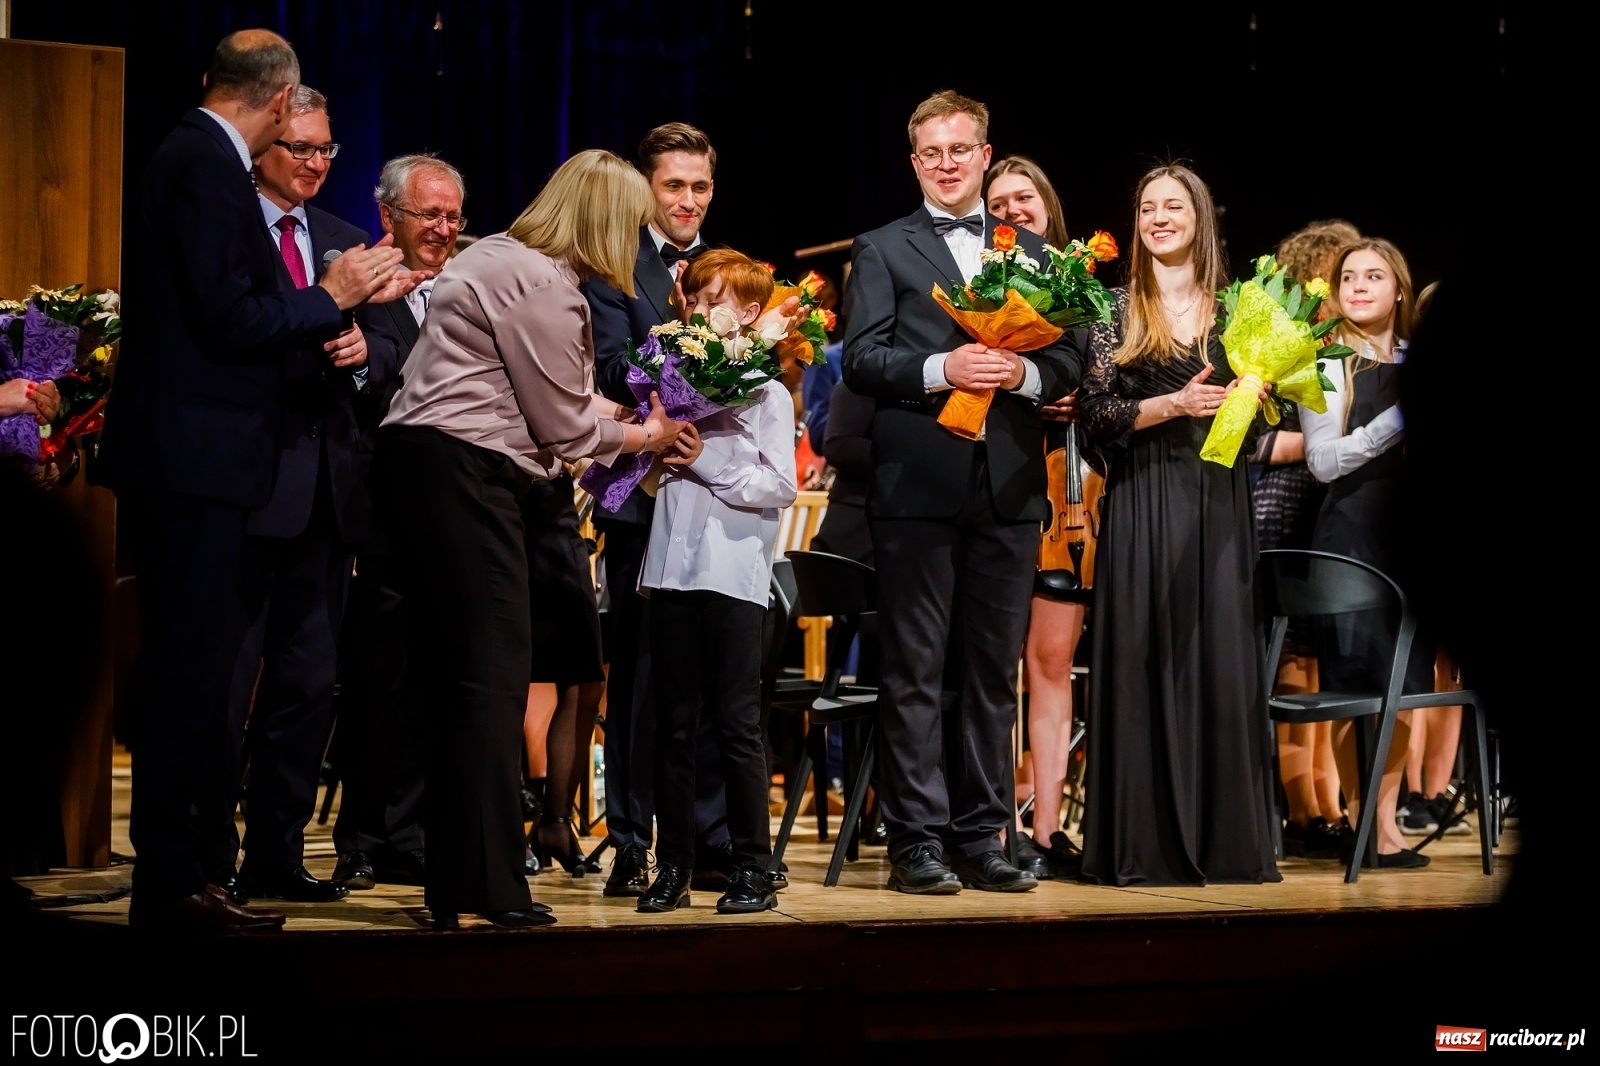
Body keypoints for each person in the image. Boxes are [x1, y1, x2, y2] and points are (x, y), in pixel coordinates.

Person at [97, 29, 422, 932]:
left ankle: (192, 876)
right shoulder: (206, 167)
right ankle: (177, 881)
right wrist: (334, 297)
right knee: (196, 679)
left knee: (217, 677)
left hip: (225, 464)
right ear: (279, 103)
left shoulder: (189, 155)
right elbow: (232, 320)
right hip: (201, 459)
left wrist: (343, 311)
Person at [376, 149, 688, 930]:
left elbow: (555, 395)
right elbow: (565, 428)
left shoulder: (496, 255)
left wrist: (628, 419)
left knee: (457, 680)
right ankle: (490, 885)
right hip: (466, 475)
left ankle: (456, 883)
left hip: (417, 468)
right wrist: (650, 435)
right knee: (491, 679)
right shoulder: (547, 287)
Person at [840, 90, 1082, 894]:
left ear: (985, 155)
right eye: (931, 153)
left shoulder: (1038, 255)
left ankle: (984, 837)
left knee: (990, 673)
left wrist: (1021, 373)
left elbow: (1072, 360)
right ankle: (916, 841)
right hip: (917, 484)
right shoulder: (883, 248)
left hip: (1007, 485)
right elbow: (862, 360)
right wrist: (945, 367)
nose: (946, 165)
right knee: (913, 670)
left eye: (959, 150)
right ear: (915, 162)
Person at [197, 84, 397, 908]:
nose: (315, 163)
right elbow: (226, 334)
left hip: (326, 498)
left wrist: (364, 353)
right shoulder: (231, 230)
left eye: (326, 150)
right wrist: (322, 307)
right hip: (244, 490)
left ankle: (276, 855)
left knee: (307, 687)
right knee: (222, 687)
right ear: (265, 144)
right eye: (300, 148)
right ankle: (206, 858)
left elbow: (391, 349)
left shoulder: (346, 240)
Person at [1076, 163, 1280, 887]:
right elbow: (1093, 416)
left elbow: (1261, 432)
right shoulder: (1114, 309)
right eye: (1146, 208)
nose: (1159, 218)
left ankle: (1226, 844)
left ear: (1200, 219)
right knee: (1141, 657)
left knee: (1218, 659)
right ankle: (1143, 844)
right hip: (1142, 499)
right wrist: (1171, 406)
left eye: (1173, 207)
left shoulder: (1242, 309)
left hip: (1217, 503)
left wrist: (1259, 400)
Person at [581, 123, 733, 899]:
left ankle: (705, 838)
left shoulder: (729, 269)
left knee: (708, 675)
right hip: (639, 497)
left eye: (700, 186)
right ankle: (633, 843)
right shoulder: (613, 265)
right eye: (674, 185)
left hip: (709, 498)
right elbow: (610, 368)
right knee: (640, 679)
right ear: (646, 188)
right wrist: (687, 348)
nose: (688, 199)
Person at [635, 250, 800, 914]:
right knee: (672, 723)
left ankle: (752, 866)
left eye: (713, 301)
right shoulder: (677, 380)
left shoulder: (766, 391)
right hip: (670, 568)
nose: (699, 311)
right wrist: (648, 451)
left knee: (735, 723)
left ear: (751, 313)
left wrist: (706, 460)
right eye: (695, 300)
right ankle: (672, 863)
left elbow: (780, 485)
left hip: (730, 571)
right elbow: (656, 481)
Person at [332, 152, 468, 891]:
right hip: (374, 512)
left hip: (449, 514)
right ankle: (360, 836)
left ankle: (409, 835)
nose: (443, 229)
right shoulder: (358, 282)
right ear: (388, 216)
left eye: (452, 216)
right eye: (428, 214)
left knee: (429, 682)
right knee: (374, 684)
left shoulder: (471, 291)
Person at [1302, 237, 1430, 869]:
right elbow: (1323, 462)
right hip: (1350, 538)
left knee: (1404, 688)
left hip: (1408, 538)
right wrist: (1392, 423)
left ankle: (1386, 822)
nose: (1358, 285)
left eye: (1374, 276)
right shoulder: (1328, 364)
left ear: (1398, 289)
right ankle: (1360, 825)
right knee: (1354, 687)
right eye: (1349, 276)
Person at [983, 155, 1087, 879]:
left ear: (1047, 207)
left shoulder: (1081, 290)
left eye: (1024, 198)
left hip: (1067, 497)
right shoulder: (971, 286)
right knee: (992, 665)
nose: (1013, 211)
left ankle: (1047, 827)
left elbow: (1106, 381)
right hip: (992, 489)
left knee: (1050, 663)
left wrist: (1080, 392)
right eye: (999, 203)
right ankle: (991, 826)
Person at [1253, 219, 1359, 861]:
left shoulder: (1338, 350)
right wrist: (1322, 444)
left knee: (1317, 663)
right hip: (1284, 507)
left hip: (1320, 510)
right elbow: (1255, 440)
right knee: (1292, 664)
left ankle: (1326, 804)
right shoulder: (1282, 345)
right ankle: (1302, 810)